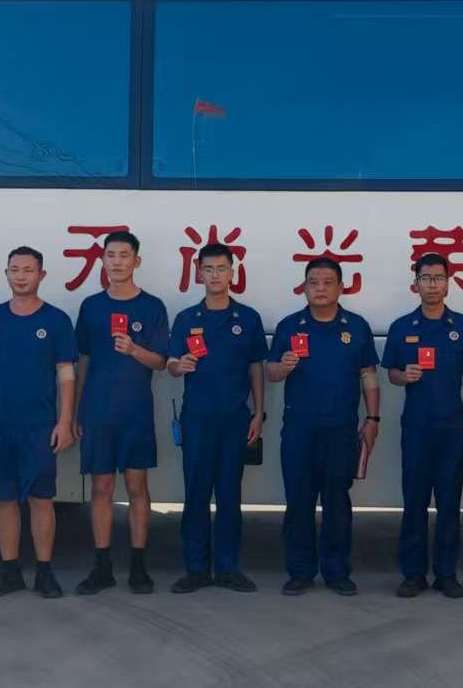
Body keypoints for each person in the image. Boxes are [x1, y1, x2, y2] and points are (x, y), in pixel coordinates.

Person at [0, 247, 78, 599]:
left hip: (39, 425)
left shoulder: (56, 320)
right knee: (3, 499)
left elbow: (66, 374)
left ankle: (44, 572)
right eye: (14, 269)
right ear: (6, 274)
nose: (21, 276)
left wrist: (65, 421)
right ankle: (9, 571)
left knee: (40, 498)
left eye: (28, 270)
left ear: (41, 275)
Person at [268, 258, 380, 596]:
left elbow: (368, 375)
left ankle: (336, 571)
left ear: (341, 288)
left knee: (337, 502)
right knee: (298, 502)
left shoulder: (356, 327)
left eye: (328, 282)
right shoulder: (290, 326)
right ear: (304, 288)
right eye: (313, 282)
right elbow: (270, 373)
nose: (320, 288)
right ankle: (300, 571)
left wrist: (373, 418)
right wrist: (283, 367)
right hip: (299, 430)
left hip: (340, 429)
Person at [382, 253, 463, 598]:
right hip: (416, 427)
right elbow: (392, 373)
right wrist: (404, 376)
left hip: (452, 428)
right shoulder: (402, 327)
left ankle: (446, 574)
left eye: (438, 278)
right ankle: (413, 574)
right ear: (415, 284)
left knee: (449, 502)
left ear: (448, 283)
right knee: (414, 502)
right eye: (426, 278)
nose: (432, 285)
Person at [164, 243, 267, 593]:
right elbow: (171, 364)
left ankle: (227, 568)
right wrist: (178, 366)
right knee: (196, 494)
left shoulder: (248, 318)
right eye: (208, 269)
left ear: (232, 272)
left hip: (235, 419)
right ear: (199, 274)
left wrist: (258, 413)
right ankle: (195, 569)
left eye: (221, 268)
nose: (215, 275)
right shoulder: (187, 319)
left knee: (228, 495)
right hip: (197, 419)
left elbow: (256, 367)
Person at [73, 231, 169, 594]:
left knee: (137, 486)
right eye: (110, 255)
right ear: (102, 261)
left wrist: (133, 349)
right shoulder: (91, 306)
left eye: (124, 255)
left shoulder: (152, 307)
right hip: (98, 411)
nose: (117, 262)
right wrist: (77, 410)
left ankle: (139, 566)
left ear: (136, 261)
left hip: (135, 411)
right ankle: (102, 567)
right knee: (101, 487)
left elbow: (160, 362)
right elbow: (83, 359)